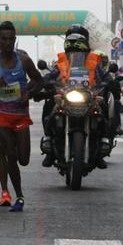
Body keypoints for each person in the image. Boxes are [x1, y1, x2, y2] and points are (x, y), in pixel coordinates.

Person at [0, 21, 43, 212]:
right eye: (3, 39)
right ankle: (19, 195)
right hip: (0, 115)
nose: (7, 42)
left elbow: (39, 81)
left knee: (23, 159)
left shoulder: (23, 60)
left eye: (10, 39)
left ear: (15, 40)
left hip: (20, 115)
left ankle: (16, 193)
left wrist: (28, 94)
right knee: (10, 153)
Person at [41, 25, 111, 169]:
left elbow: (105, 76)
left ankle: (102, 144)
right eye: (71, 38)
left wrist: (109, 82)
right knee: (49, 106)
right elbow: (52, 75)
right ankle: (49, 142)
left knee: (103, 109)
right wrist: (48, 82)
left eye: (78, 39)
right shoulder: (61, 61)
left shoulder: (93, 61)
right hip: (65, 96)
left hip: (89, 97)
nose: (74, 45)